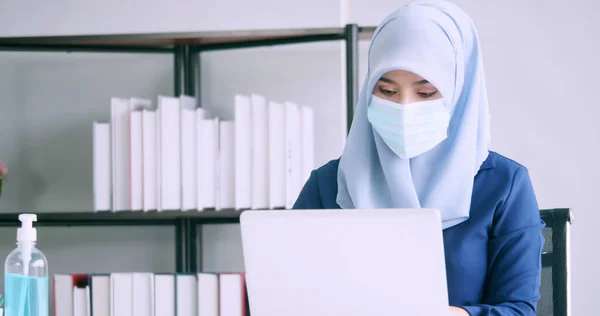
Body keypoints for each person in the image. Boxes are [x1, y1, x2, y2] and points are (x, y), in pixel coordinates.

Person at [293, 0, 545, 315]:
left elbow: (519, 309)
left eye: (425, 93)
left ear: (458, 92)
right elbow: (289, 294)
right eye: (386, 91)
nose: (404, 107)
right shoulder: (329, 184)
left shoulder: (504, 184)